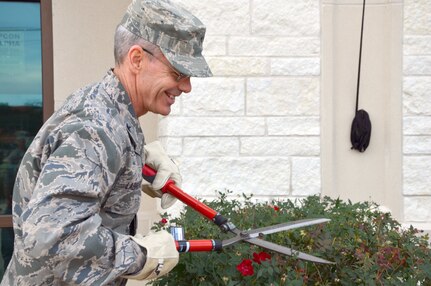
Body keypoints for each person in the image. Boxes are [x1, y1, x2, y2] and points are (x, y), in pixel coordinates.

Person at [0, 0, 212, 285]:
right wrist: (141, 255)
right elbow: (52, 234)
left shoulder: (109, 110)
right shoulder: (96, 128)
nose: (186, 87)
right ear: (136, 59)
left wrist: (134, 161)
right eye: (178, 72)